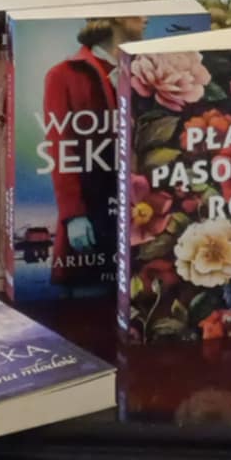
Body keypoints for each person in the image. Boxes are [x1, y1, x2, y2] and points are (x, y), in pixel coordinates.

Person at [39, 17, 142, 286]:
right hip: (92, 214)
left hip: (140, 213)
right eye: (138, 12)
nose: (146, 17)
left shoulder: (146, 69)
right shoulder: (62, 75)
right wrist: (74, 214)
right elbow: (60, 148)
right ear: (114, 17)